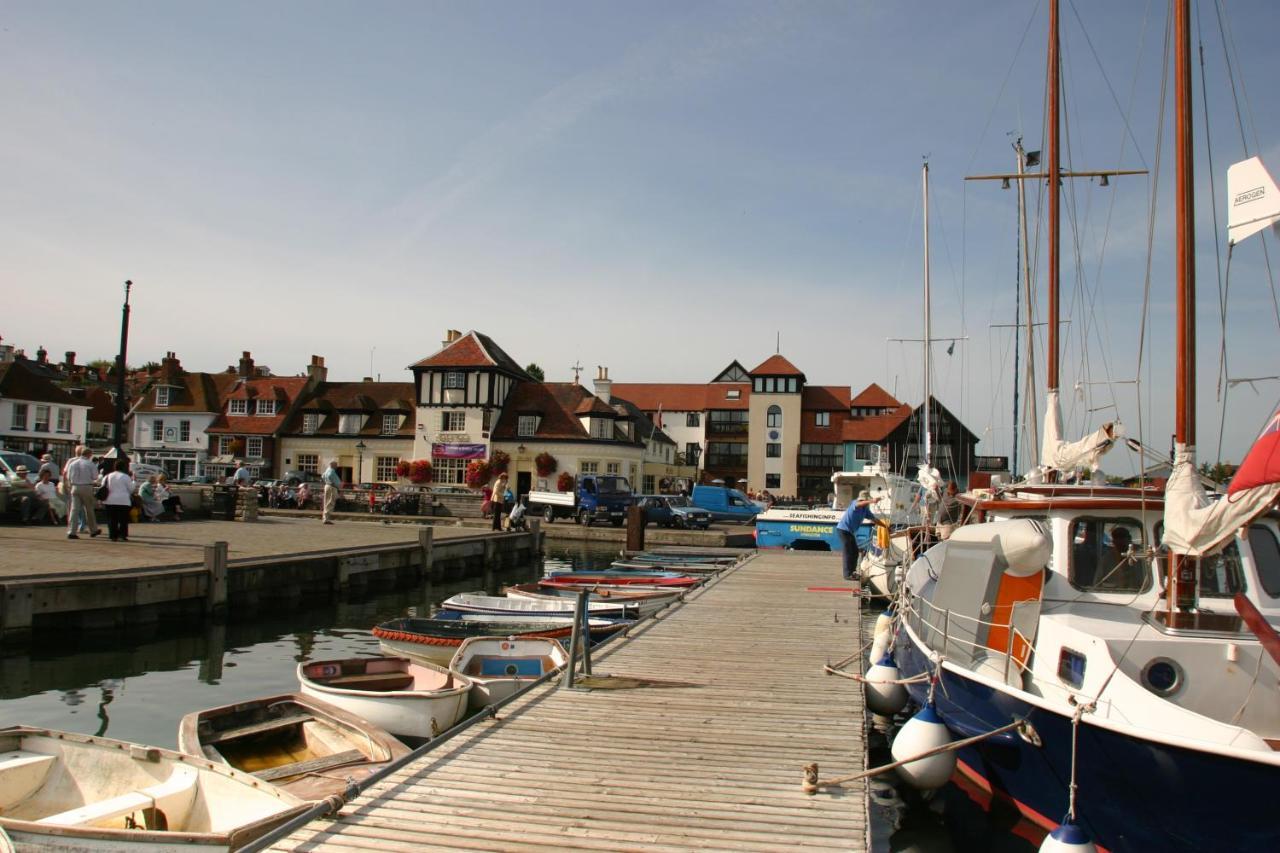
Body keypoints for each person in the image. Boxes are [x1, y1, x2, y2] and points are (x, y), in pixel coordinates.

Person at [836, 489, 886, 582]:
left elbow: (874, 519)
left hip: (849, 532)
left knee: (854, 551)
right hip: (843, 529)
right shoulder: (855, 503)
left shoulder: (865, 510)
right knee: (848, 551)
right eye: (866, 501)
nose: (867, 503)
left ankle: (852, 572)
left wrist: (885, 527)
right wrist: (872, 500)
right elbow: (859, 504)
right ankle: (847, 574)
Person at [63, 446, 102, 539]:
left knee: (74, 509)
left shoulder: (73, 463)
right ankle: (93, 530)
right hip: (86, 486)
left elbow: (68, 476)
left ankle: (72, 531)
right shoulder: (90, 464)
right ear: (89, 454)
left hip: (75, 486)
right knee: (89, 509)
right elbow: (95, 476)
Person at [102, 458, 135, 542]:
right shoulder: (126, 477)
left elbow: (103, 486)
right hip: (123, 500)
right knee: (123, 519)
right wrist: (134, 481)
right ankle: (122, 535)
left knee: (112, 519)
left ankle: (113, 535)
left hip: (110, 500)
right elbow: (131, 489)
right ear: (123, 467)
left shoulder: (108, 476)